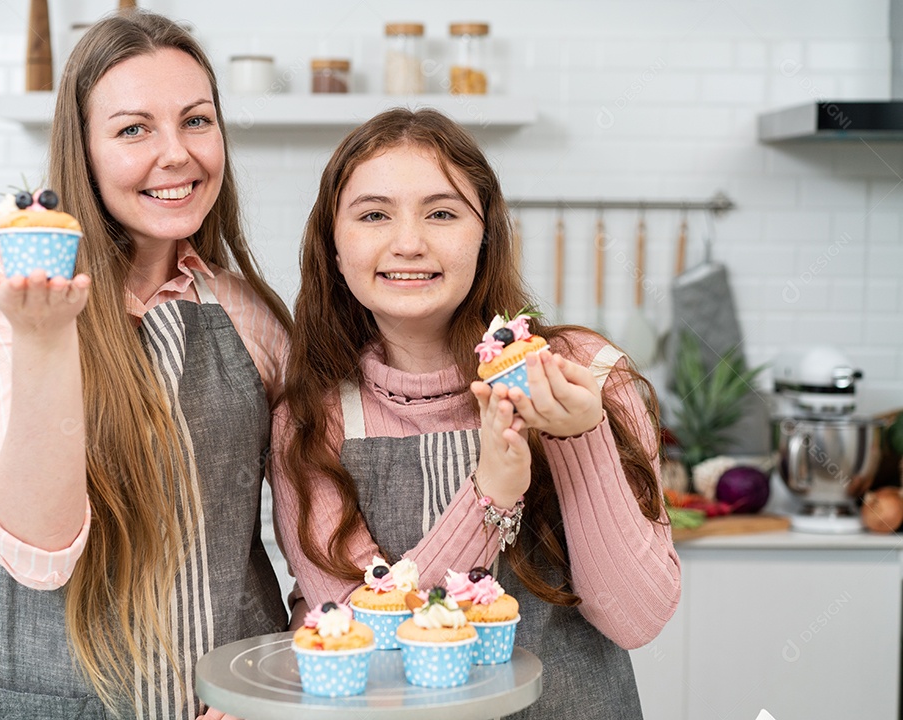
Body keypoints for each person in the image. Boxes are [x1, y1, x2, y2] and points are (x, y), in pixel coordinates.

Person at [0, 11, 291, 719]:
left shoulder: (249, 313)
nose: (177, 155)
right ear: (84, 149)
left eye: (196, 121)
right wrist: (44, 342)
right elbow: (40, 550)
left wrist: (291, 669)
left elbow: (323, 523)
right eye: (133, 129)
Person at [271, 108, 681, 719]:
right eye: (374, 214)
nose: (408, 243)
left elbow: (636, 617)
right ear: (333, 247)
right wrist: (491, 491)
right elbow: (368, 642)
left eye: (442, 213)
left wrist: (577, 435)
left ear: (485, 236)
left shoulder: (587, 372)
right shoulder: (313, 420)